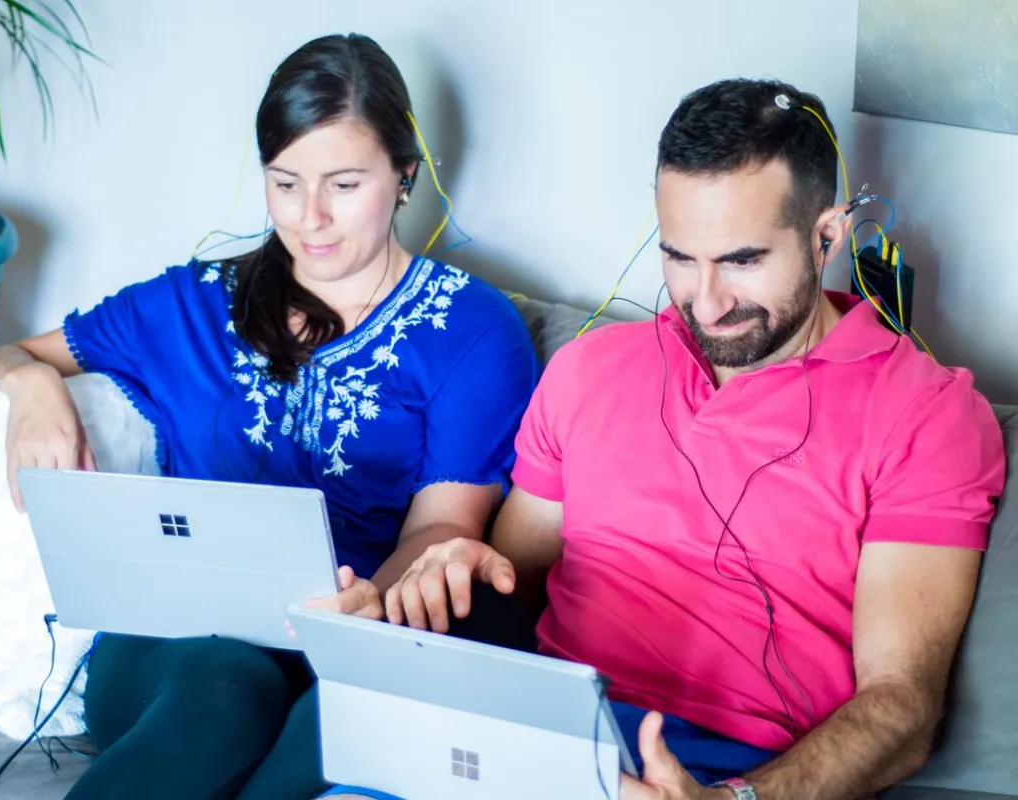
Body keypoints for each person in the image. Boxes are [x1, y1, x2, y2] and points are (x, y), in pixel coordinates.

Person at [325, 78, 1006, 800]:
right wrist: (450, 576)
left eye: (742, 261)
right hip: (539, 740)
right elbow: (513, 582)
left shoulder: (926, 414)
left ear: (827, 236)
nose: (706, 303)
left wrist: (738, 799)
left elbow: (902, 706)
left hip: (737, 769)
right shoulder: (591, 369)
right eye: (680, 258)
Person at [0, 32, 538, 800]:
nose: (310, 218)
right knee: (228, 678)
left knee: (359, 702)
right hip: (174, 647)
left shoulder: (474, 330)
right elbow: (6, 355)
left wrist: (373, 602)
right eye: (285, 183)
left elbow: (443, 529)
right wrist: (30, 385)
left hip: (349, 637)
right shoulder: (192, 301)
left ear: (405, 175)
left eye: (343, 184)